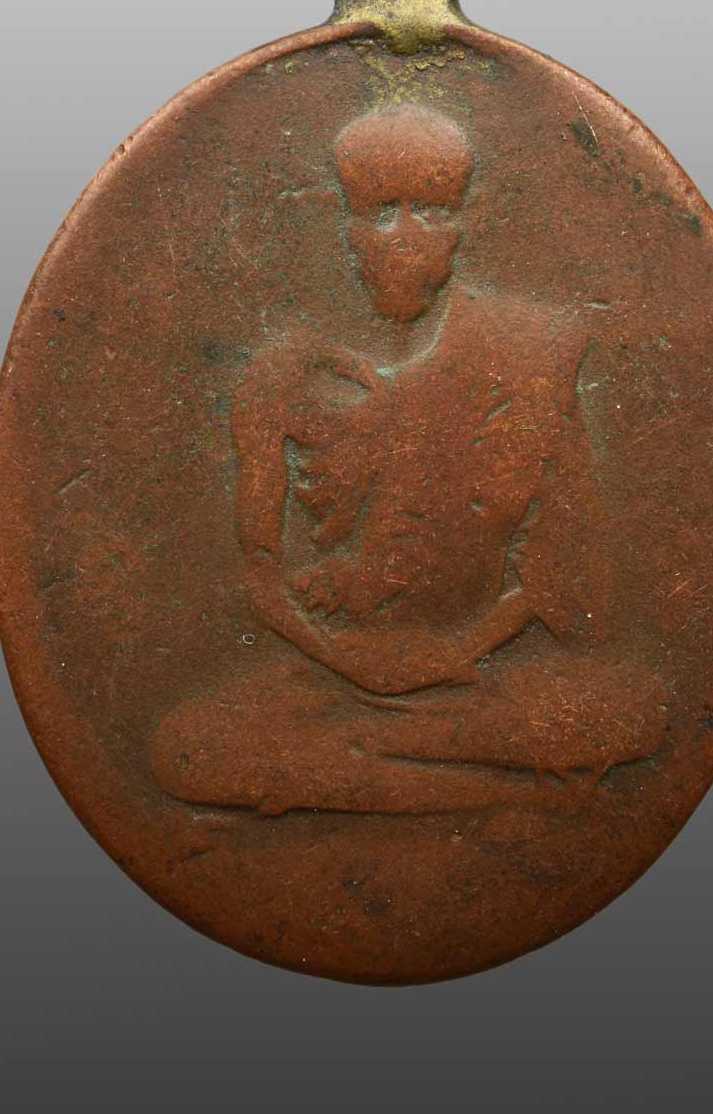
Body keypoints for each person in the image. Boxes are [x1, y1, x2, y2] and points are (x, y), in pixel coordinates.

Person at [151, 104, 667, 814]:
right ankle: (488, 795)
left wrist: (458, 652)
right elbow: (263, 585)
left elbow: (556, 571)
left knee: (637, 711)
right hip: (330, 676)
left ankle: (374, 770)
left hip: (473, 676)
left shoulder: (530, 351)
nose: (403, 237)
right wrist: (355, 664)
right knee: (189, 749)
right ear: (344, 225)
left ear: (466, 222)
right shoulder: (280, 375)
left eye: (430, 211)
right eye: (379, 213)